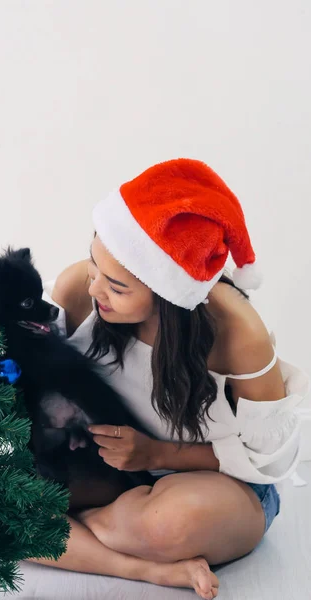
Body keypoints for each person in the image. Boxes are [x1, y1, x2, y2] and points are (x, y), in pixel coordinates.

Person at [28, 159, 309, 599]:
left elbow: (266, 461)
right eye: (93, 262)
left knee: (174, 522)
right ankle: (148, 570)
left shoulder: (237, 334)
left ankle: (70, 537)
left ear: (169, 293)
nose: (95, 286)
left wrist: (156, 453)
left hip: (221, 486)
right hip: (110, 475)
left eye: (118, 287)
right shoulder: (80, 290)